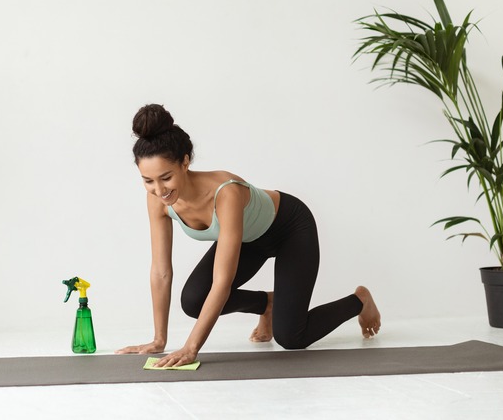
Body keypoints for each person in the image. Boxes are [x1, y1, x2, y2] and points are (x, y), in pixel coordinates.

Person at [115, 104, 381, 367]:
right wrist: (159, 339)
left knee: (291, 337)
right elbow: (161, 271)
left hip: (290, 228)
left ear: (185, 162)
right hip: (249, 240)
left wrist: (191, 348)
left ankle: (359, 300)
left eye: (166, 177)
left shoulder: (226, 192)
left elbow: (222, 282)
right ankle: (267, 304)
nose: (159, 189)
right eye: (148, 181)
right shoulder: (158, 201)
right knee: (193, 300)